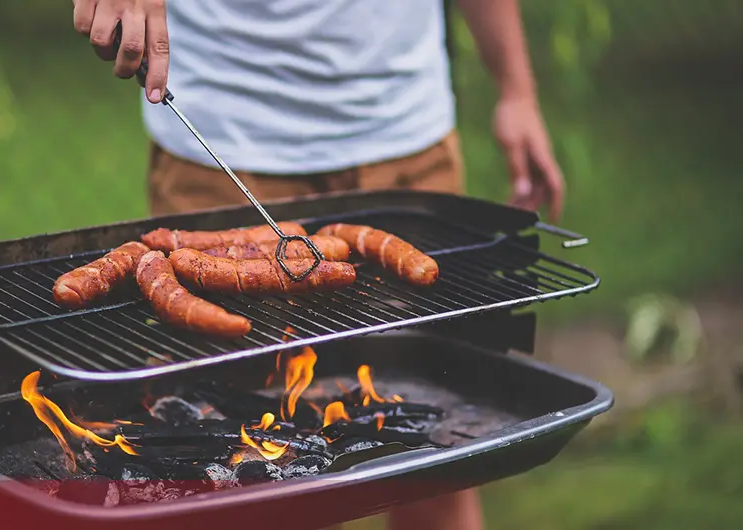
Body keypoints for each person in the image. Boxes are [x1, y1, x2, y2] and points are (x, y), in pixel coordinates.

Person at [73, 1, 564, 529]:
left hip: (405, 137)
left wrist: (517, 90)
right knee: (229, 472)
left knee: (435, 460)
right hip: (219, 141)